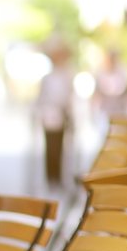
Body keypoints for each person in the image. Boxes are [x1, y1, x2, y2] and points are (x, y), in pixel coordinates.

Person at [36, 42, 74, 188]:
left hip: (61, 115)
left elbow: (68, 97)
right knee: (50, 147)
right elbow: (42, 97)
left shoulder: (66, 76)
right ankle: (50, 177)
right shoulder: (47, 77)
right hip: (49, 115)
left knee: (59, 147)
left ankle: (58, 176)